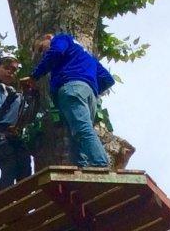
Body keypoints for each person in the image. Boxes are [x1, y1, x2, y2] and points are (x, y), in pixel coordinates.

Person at [22, 31, 115, 169]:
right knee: (76, 134)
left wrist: (34, 76)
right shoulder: (85, 54)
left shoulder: (61, 39)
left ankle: (100, 164)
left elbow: (56, 52)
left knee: (82, 129)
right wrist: (87, 85)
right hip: (89, 95)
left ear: (47, 37)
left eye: (41, 49)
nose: (43, 54)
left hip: (71, 89)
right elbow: (107, 79)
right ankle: (82, 167)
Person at [0, 55, 34, 188]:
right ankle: (5, 200)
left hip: (13, 133)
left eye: (14, 70)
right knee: (9, 163)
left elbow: (26, 117)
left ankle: (23, 202)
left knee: (25, 166)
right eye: (6, 68)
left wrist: (31, 97)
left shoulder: (16, 95)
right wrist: (4, 106)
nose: (11, 72)